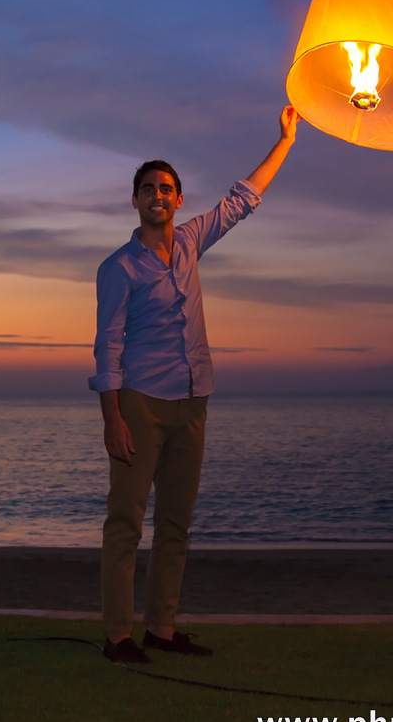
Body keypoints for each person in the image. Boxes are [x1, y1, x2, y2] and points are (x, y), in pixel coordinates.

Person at [91, 105, 300, 663]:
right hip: (140, 405)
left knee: (176, 525)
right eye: (148, 188)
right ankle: (118, 637)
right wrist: (112, 419)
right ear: (134, 200)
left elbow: (242, 201)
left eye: (167, 188)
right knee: (125, 525)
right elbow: (107, 348)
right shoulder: (119, 268)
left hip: (193, 402)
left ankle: (161, 628)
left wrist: (284, 140)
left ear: (178, 199)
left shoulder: (189, 243)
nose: (158, 195)